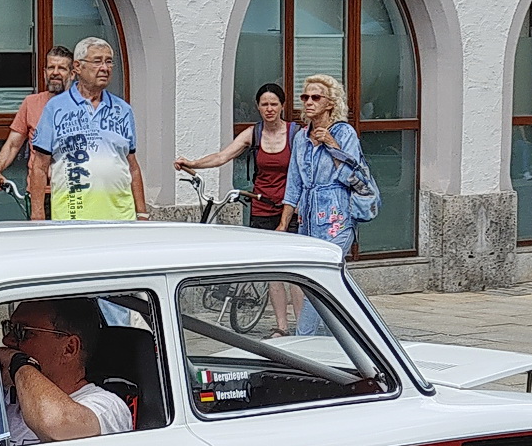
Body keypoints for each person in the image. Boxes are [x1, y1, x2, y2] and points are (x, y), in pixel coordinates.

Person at [177, 81, 300, 334]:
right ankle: (282, 327)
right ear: (258, 107)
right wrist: (192, 163)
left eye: (273, 104)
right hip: (261, 208)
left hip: (291, 208)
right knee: (273, 272)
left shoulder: (295, 134)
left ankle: (303, 329)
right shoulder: (253, 134)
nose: (269, 109)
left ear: (282, 106)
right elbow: (222, 156)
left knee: (295, 272)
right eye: (264, 104)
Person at [282, 74, 377, 336]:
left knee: (321, 275)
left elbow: (353, 177)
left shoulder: (344, 133)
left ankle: (304, 338)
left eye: (315, 97)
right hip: (308, 219)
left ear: (330, 104)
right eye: (305, 97)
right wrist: (283, 223)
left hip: (338, 216)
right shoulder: (301, 138)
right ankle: (352, 335)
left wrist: (331, 145)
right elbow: (294, 182)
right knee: (322, 281)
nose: (308, 102)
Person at [29, 38, 147, 221]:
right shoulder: (56, 108)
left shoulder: (123, 110)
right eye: (97, 61)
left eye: (109, 61)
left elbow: (133, 167)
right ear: (77, 67)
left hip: (121, 217)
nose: (105, 68)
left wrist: (142, 213)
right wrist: (38, 216)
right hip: (72, 218)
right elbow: (39, 166)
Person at [0, 298, 132, 444]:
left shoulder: (106, 407)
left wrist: (19, 363)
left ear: (69, 349)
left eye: (22, 332)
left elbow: (56, 427)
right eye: (9, 328)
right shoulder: (3, 401)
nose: (7, 340)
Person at [0, 46, 74, 219]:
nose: (55, 73)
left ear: (72, 74)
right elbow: (12, 145)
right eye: (51, 68)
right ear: (44, 72)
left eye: (62, 68)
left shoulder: (82, 106)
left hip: (73, 192)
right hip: (38, 193)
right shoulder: (31, 103)